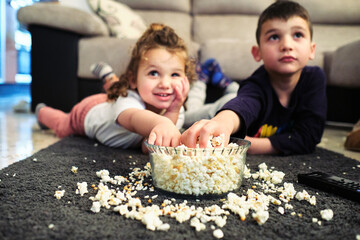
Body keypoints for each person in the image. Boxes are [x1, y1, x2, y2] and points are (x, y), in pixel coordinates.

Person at [180, 1, 327, 155]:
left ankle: (227, 84)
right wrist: (222, 122)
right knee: (189, 115)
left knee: (237, 92)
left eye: (298, 35)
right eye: (274, 37)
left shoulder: (315, 79)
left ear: (312, 49)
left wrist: (246, 145)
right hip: (225, 107)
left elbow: (308, 138)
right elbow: (245, 104)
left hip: (240, 95)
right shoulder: (256, 85)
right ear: (257, 53)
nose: (287, 45)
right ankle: (201, 79)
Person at [36, 23, 196, 153]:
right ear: (133, 79)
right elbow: (134, 119)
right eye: (154, 73)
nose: (165, 84)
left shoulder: (176, 109)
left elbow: (148, 148)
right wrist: (162, 122)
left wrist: (172, 112)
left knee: (117, 90)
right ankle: (42, 112)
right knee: (63, 125)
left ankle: (110, 79)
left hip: (115, 102)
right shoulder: (128, 102)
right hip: (88, 113)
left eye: (175, 75)